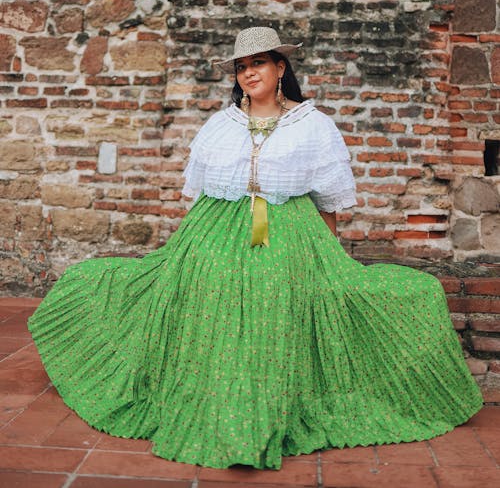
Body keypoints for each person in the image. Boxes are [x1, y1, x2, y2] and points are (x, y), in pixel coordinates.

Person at [28, 26, 483, 470]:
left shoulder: (313, 125)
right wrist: (187, 249)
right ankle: (209, 396)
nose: (249, 73)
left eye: (258, 62)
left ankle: (265, 403)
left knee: (272, 285)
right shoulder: (220, 125)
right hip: (215, 227)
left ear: (280, 66)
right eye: (241, 66)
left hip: (290, 228)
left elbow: (329, 200)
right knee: (200, 280)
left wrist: (332, 259)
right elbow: (203, 196)